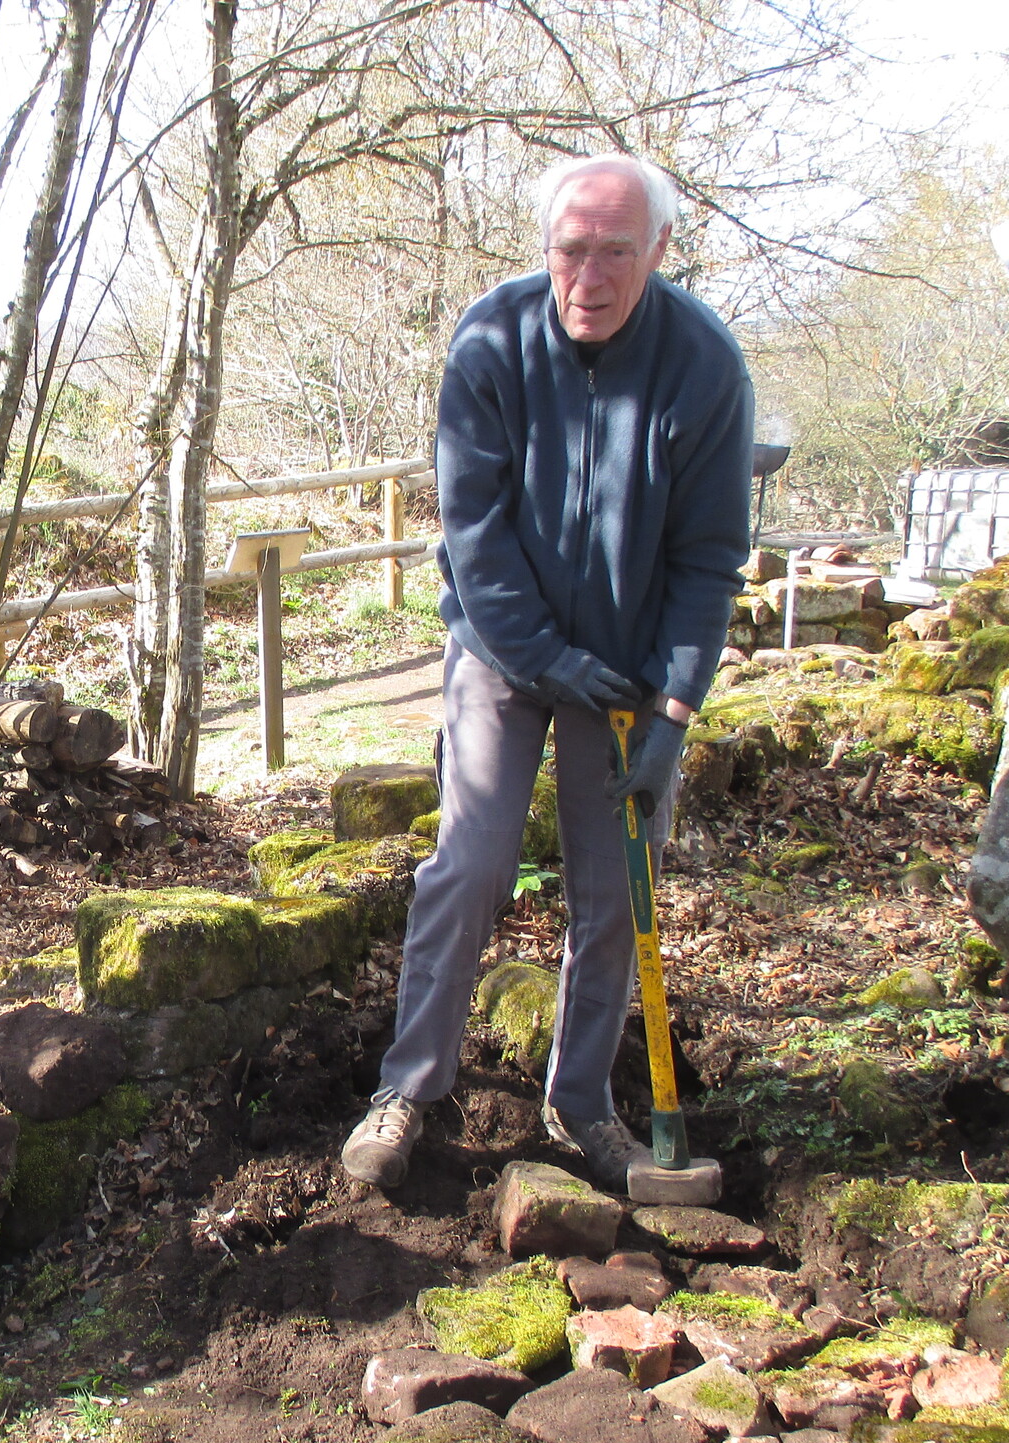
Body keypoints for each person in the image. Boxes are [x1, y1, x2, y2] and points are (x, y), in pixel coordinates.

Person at [339, 154, 751, 1193]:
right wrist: (544, 657)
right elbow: (473, 533)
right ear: (546, 248)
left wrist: (673, 714)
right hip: (503, 650)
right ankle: (409, 1089)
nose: (590, 278)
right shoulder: (493, 341)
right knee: (472, 863)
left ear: (660, 249)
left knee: (615, 888)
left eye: (617, 251)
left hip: (630, 674)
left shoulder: (705, 367)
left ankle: (581, 1104)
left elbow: (709, 562)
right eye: (572, 250)